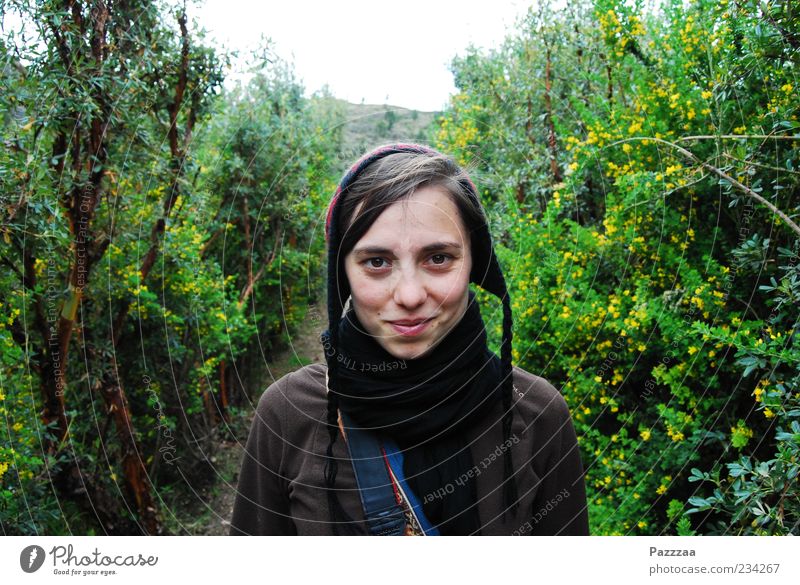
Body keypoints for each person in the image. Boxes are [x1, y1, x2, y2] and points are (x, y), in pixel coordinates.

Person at [229, 143, 589, 536]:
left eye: (438, 258)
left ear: (475, 262)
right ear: (343, 274)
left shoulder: (537, 414)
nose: (411, 295)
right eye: (377, 262)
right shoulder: (288, 414)